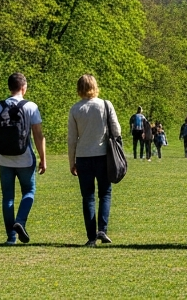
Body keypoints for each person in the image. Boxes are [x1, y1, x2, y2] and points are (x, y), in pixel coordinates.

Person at [0, 72, 46, 246]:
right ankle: (20, 220)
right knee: (29, 191)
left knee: (8, 197)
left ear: (9, 87)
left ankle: (11, 237)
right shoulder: (31, 107)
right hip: (25, 158)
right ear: (23, 88)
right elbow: (38, 135)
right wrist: (43, 159)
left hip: (3, 159)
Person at [66, 74, 119, 247]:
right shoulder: (105, 104)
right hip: (103, 155)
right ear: (95, 86)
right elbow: (117, 130)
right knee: (105, 193)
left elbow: (72, 139)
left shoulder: (75, 109)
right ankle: (102, 229)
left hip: (83, 156)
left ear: (79, 88)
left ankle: (91, 237)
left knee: (88, 197)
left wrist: (71, 161)